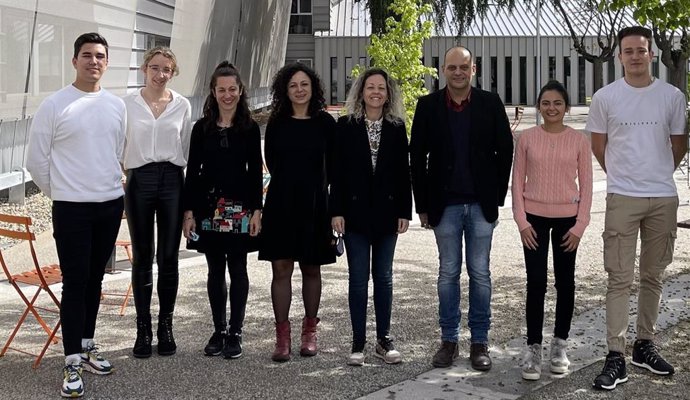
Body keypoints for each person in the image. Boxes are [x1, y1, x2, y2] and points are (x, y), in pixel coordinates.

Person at [26, 32, 126, 398]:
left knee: (96, 279)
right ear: (74, 61)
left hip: (110, 204)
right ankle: (70, 359)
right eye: (87, 55)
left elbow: (116, 150)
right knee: (75, 281)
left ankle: (86, 344)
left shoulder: (116, 106)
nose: (93, 61)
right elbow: (36, 161)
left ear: (106, 62)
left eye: (100, 55)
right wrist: (64, 193)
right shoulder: (55, 105)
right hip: (71, 209)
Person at [588, 26, 687, 390]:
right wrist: (625, 177)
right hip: (622, 197)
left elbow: (679, 145)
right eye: (628, 51)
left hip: (662, 196)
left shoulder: (672, 96)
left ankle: (644, 345)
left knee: (653, 276)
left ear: (652, 54)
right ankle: (616, 354)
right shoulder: (605, 98)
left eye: (641, 50)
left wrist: (656, 173)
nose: (634, 56)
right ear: (619, 56)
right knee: (619, 278)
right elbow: (599, 146)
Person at [410, 46, 513, 371]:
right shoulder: (428, 106)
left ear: (474, 70)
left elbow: (505, 150)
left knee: (480, 274)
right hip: (445, 206)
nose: (457, 72)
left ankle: (479, 342)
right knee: (447, 274)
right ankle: (449, 341)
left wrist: (496, 196)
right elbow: (417, 158)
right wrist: (422, 205)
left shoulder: (490, 103)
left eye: (463, 67)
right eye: (452, 67)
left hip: (481, 205)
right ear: (443, 70)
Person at [330, 68, 412, 366]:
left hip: (388, 215)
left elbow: (404, 173)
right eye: (370, 87)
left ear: (388, 93)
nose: (376, 92)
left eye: (381, 88)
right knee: (358, 279)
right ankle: (358, 342)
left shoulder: (397, 126)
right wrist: (335, 210)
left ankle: (384, 339)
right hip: (353, 215)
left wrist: (405, 210)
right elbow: (336, 173)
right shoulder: (345, 126)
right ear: (361, 92)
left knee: (385, 278)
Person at [511, 80, 593, 380]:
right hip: (533, 219)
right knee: (535, 283)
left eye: (557, 103)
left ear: (566, 107)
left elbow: (587, 185)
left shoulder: (579, 141)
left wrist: (580, 225)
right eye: (546, 103)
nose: (552, 108)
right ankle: (533, 347)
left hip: (567, 221)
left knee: (565, 282)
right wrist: (521, 222)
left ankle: (560, 344)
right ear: (539, 106)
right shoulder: (527, 139)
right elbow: (516, 183)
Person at [182, 62, 263, 359]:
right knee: (215, 270)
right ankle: (219, 329)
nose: (227, 95)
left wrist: (257, 210)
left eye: (232, 89)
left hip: (240, 209)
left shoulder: (250, 129)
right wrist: (188, 212)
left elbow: (256, 171)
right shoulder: (201, 129)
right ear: (213, 93)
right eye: (221, 90)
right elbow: (192, 173)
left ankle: (236, 331)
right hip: (208, 210)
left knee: (238, 269)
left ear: (240, 91)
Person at [259, 63, 335, 362]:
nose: (300, 90)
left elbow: (334, 167)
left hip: (316, 204)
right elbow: (272, 163)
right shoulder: (276, 123)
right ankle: (282, 337)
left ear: (313, 87)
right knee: (280, 269)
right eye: (293, 85)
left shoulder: (326, 124)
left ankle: (309, 333)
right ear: (284, 90)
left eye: (304, 84)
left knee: (312, 268)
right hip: (281, 203)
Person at [122, 46, 192, 358]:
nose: (160, 74)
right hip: (139, 180)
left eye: (166, 69)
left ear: (173, 73)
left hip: (172, 181)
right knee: (142, 256)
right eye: (155, 67)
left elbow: (186, 147)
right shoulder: (127, 104)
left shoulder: (182, 105)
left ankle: (165, 326)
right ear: (144, 69)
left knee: (168, 257)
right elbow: (117, 144)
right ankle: (143, 328)